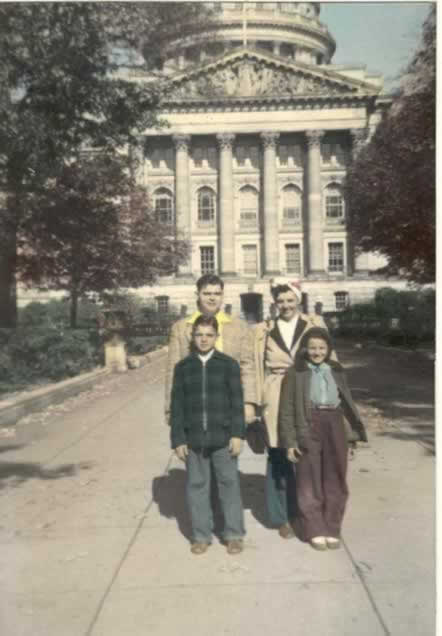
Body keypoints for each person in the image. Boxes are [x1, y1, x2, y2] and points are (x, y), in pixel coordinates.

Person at [279, 327, 367, 551]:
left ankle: (331, 527)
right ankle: (314, 528)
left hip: (334, 422)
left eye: (321, 348)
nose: (317, 352)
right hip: (309, 422)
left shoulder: (336, 369)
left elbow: (347, 404)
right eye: (312, 348)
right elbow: (286, 410)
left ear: (328, 349)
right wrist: (290, 442)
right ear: (305, 349)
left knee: (336, 476)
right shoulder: (296, 373)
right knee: (308, 477)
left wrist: (351, 438)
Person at [254, 279, 330, 539]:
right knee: (278, 454)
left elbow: (331, 360)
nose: (285, 305)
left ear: (298, 300)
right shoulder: (263, 330)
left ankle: (307, 513)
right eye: (281, 301)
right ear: (274, 303)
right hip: (275, 392)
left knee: (308, 453)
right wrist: (254, 403)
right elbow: (253, 366)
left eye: (290, 300)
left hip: (306, 391)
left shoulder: (314, 325)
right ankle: (281, 516)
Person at [170, 314, 246, 555]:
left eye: (209, 335)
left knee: (229, 484)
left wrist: (237, 434)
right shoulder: (183, 368)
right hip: (194, 439)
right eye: (199, 335)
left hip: (223, 436)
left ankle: (233, 534)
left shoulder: (228, 365)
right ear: (192, 337)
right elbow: (177, 406)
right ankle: (201, 535)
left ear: (216, 337)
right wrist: (178, 439)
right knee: (197, 485)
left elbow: (237, 403)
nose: (203, 339)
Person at [165, 273, 256, 425]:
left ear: (222, 295)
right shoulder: (180, 328)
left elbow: (247, 367)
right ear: (197, 294)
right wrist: (170, 409)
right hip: (193, 405)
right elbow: (173, 371)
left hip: (229, 404)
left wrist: (249, 403)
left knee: (227, 448)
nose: (212, 298)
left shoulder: (239, 327)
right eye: (207, 293)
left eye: (217, 293)